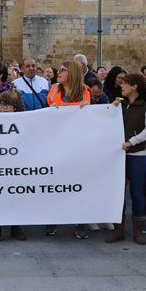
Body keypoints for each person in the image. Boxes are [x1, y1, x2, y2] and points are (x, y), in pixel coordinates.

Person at [109, 73, 146, 245]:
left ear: (134, 86)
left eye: (125, 83)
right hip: (118, 156)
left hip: (138, 155)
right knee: (117, 193)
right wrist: (110, 109)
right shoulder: (120, 104)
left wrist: (132, 142)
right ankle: (118, 229)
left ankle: (138, 230)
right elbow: (105, 120)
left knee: (137, 193)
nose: (122, 86)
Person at [46, 60, 91, 239]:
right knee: (56, 183)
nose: (59, 73)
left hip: (78, 145)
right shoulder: (54, 90)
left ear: (71, 73)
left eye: (63, 70)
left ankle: (81, 221)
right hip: (57, 144)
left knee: (78, 183)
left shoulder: (84, 91)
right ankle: (53, 219)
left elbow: (86, 114)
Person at [0, 91, 27, 242]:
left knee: (15, 196)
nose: (4, 108)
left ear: (15, 108)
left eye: (8, 105)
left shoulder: (23, 121)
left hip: (16, 166)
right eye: (2, 105)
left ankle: (15, 227)